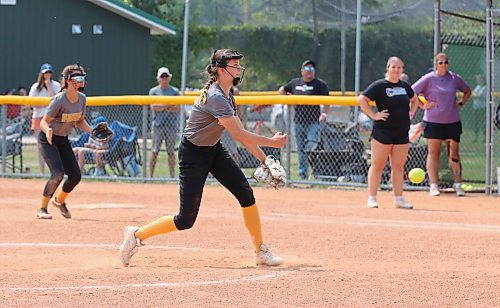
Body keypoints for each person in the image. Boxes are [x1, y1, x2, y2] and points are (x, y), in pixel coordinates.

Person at [119, 49, 288, 267]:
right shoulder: (216, 96)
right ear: (219, 69)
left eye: (238, 64)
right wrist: (273, 142)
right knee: (185, 219)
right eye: (233, 64)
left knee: (246, 195)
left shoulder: (227, 94)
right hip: (193, 154)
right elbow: (238, 135)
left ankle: (260, 251)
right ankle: (136, 235)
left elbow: (241, 134)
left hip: (213, 150)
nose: (238, 68)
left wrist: (265, 159)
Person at [357, 56, 419, 209]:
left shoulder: (404, 86)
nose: (396, 70)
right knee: (378, 164)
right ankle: (372, 197)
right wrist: (374, 115)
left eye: (399, 67)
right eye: (393, 67)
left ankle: (398, 198)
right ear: (388, 68)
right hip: (383, 131)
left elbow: (415, 99)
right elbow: (362, 100)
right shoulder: (380, 85)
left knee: (398, 166)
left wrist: (411, 112)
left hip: (401, 131)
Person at [36, 63, 92, 220]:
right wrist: (47, 130)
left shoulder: (82, 99)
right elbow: (43, 122)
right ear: (68, 80)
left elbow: (80, 121)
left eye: (82, 77)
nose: (81, 80)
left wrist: (92, 131)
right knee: (57, 174)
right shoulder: (59, 100)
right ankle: (42, 208)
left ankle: (59, 200)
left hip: (62, 139)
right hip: (48, 139)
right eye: (77, 77)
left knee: (75, 176)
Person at [412, 53, 472, 197]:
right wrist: (423, 105)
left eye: (446, 62)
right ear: (435, 64)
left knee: (454, 154)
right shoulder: (429, 78)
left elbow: (467, 91)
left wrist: (461, 103)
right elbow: (411, 92)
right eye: (440, 63)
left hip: (452, 121)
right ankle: (433, 185)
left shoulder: (454, 78)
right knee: (434, 153)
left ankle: (458, 184)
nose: (443, 65)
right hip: (433, 121)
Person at [278, 60, 329, 180]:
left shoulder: (319, 84)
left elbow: (327, 100)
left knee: (311, 147)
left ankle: (316, 172)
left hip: (313, 121)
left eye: (312, 69)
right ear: (302, 71)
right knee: (300, 149)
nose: (310, 71)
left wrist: (325, 114)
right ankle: (303, 174)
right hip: (298, 121)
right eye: (307, 69)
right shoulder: (295, 82)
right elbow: (282, 90)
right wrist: (287, 99)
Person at [29, 63, 61, 175]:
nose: (47, 74)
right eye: (45, 72)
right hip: (38, 118)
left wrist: (49, 86)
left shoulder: (56, 85)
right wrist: (44, 103)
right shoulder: (35, 86)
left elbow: (55, 101)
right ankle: (42, 172)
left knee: (54, 145)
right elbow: (32, 104)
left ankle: (55, 171)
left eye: (49, 72)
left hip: (51, 117)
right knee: (40, 146)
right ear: (41, 74)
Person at [149, 67, 180, 178]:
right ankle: (150, 177)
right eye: (162, 76)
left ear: (169, 77)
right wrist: (169, 104)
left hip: (171, 126)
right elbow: (154, 107)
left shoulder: (175, 91)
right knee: (154, 151)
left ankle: (172, 177)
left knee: (171, 152)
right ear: (158, 78)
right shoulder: (153, 91)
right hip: (158, 125)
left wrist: (162, 105)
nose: (164, 78)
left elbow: (177, 108)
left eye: (166, 76)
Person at [220, 86, 240, 164]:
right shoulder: (215, 90)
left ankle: (236, 169)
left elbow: (238, 109)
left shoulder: (234, 90)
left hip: (229, 123)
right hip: (219, 124)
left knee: (231, 150)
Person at [471, 74, 487, 141]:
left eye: (480, 79)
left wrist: (475, 95)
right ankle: (476, 137)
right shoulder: (477, 87)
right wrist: (475, 95)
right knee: (476, 123)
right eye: (478, 79)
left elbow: (480, 96)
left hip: (482, 108)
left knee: (483, 123)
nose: (478, 80)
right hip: (476, 107)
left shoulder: (485, 88)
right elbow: (472, 95)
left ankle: (484, 137)